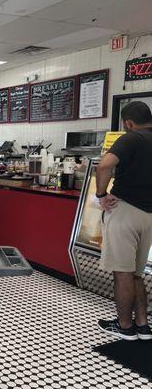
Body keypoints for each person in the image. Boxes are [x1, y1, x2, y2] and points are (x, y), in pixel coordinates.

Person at [96, 101, 152, 341]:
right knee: (136, 274)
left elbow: (104, 166)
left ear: (129, 123)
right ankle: (143, 326)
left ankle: (125, 326)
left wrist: (101, 194)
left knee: (122, 273)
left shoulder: (131, 138)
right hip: (149, 215)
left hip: (126, 210)